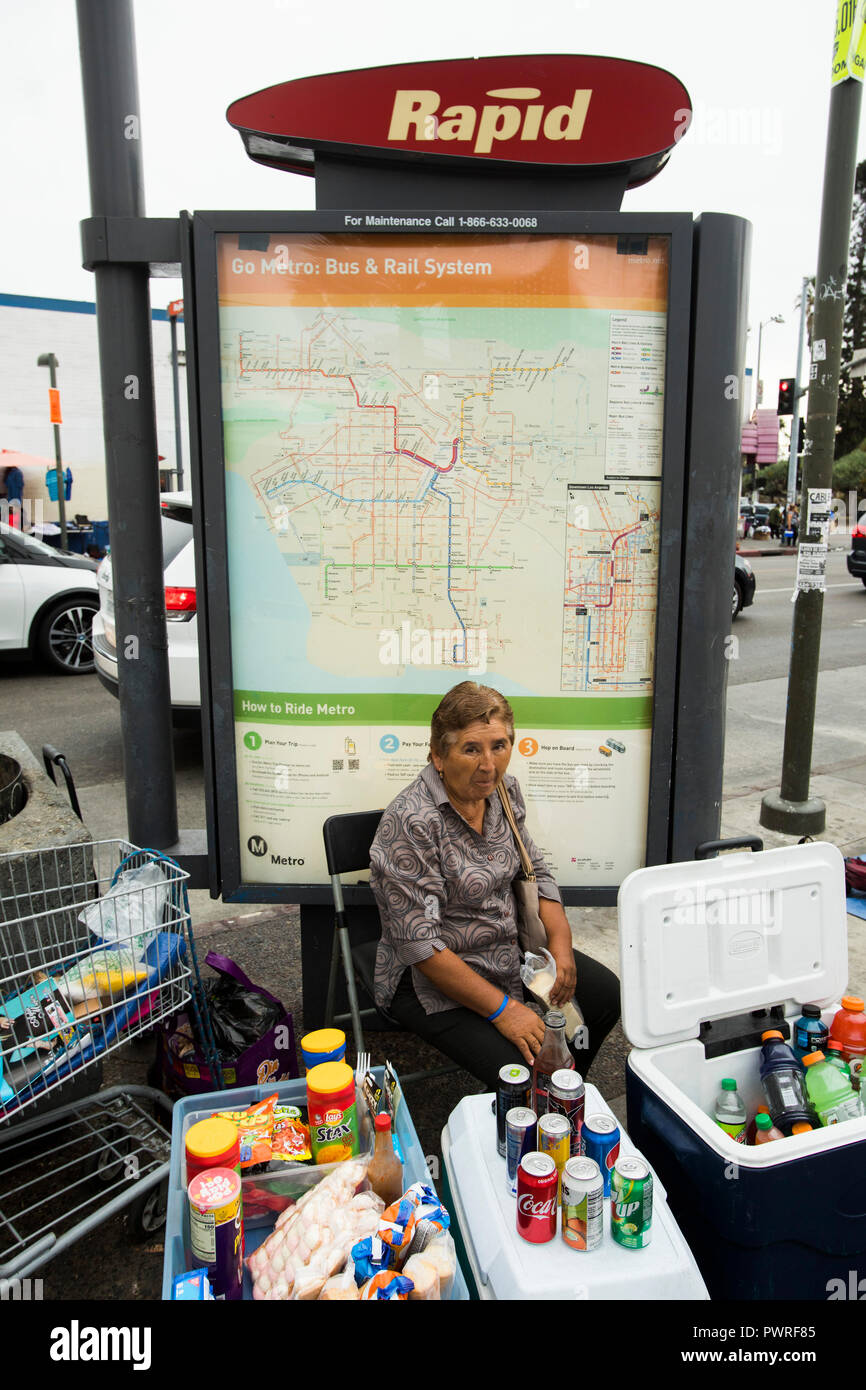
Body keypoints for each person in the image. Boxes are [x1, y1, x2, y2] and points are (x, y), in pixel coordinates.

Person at [369, 681, 621, 1090]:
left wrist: (560, 943)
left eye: (499, 746)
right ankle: (534, 1109)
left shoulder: (503, 792)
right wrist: (505, 1011)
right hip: (432, 979)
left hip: (509, 948)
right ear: (438, 755)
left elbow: (534, 868)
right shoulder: (412, 822)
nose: (489, 765)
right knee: (522, 1073)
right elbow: (420, 946)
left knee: (604, 996)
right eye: (471, 749)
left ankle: (565, 1095)